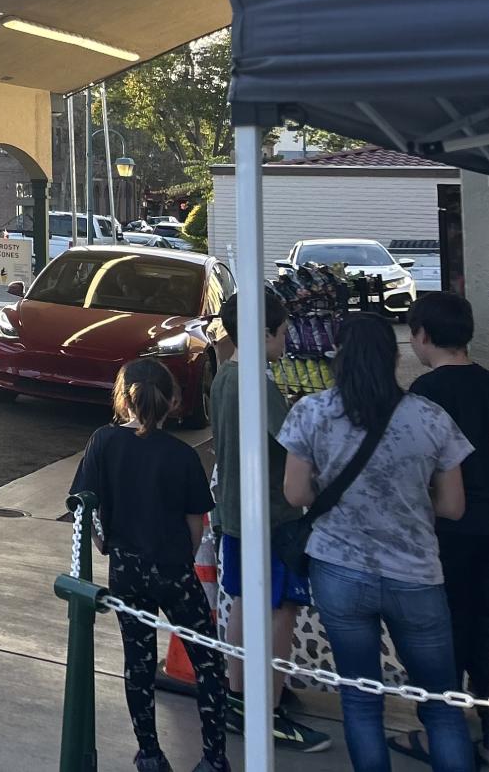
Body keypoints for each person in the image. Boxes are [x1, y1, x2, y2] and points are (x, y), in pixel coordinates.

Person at [280, 313, 474, 772]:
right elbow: (453, 507)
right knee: (442, 704)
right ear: (395, 355)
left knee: (361, 698)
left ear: (337, 357)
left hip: (338, 570)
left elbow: (295, 494)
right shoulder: (430, 417)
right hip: (416, 574)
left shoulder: (310, 412)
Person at [72, 358, 228, 772]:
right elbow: (197, 523)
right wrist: (183, 555)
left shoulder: (103, 442)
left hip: (127, 569)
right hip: (174, 569)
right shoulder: (182, 455)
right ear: (172, 401)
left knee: (138, 663)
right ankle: (213, 756)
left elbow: (85, 506)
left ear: (122, 399)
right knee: (207, 660)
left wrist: (102, 541)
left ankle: (150, 753)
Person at [209, 290, 332, 752]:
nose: (287, 339)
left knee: (242, 601)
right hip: (271, 517)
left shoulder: (224, 376)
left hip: (235, 513)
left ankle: (239, 696)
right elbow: (294, 444)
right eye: (282, 331)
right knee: (281, 610)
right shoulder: (256, 384)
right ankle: (271, 707)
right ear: (264, 332)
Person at [407, 292, 489, 766]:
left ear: (421, 336)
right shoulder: (487, 383)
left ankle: (443, 732)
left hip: (446, 528)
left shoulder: (424, 395)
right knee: (484, 622)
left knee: (443, 631)